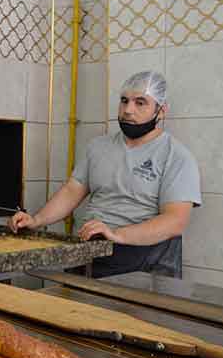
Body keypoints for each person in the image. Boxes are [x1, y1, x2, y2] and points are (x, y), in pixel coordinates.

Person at [10, 71, 201, 278]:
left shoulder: (176, 156)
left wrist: (116, 235)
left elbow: (175, 221)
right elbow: (72, 191)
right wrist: (36, 220)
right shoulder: (98, 147)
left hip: (144, 263)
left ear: (161, 111)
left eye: (140, 103)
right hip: (91, 253)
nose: (128, 110)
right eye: (124, 101)